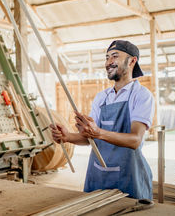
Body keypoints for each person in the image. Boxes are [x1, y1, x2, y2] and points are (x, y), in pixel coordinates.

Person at [51, 40, 154, 200]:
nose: (108, 62)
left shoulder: (141, 95)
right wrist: (68, 137)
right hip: (98, 173)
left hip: (129, 175)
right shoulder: (102, 97)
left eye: (115, 56)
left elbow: (135, 140)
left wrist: (98, 132)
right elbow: (91, 139)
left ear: (132, 61)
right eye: (107, 58)